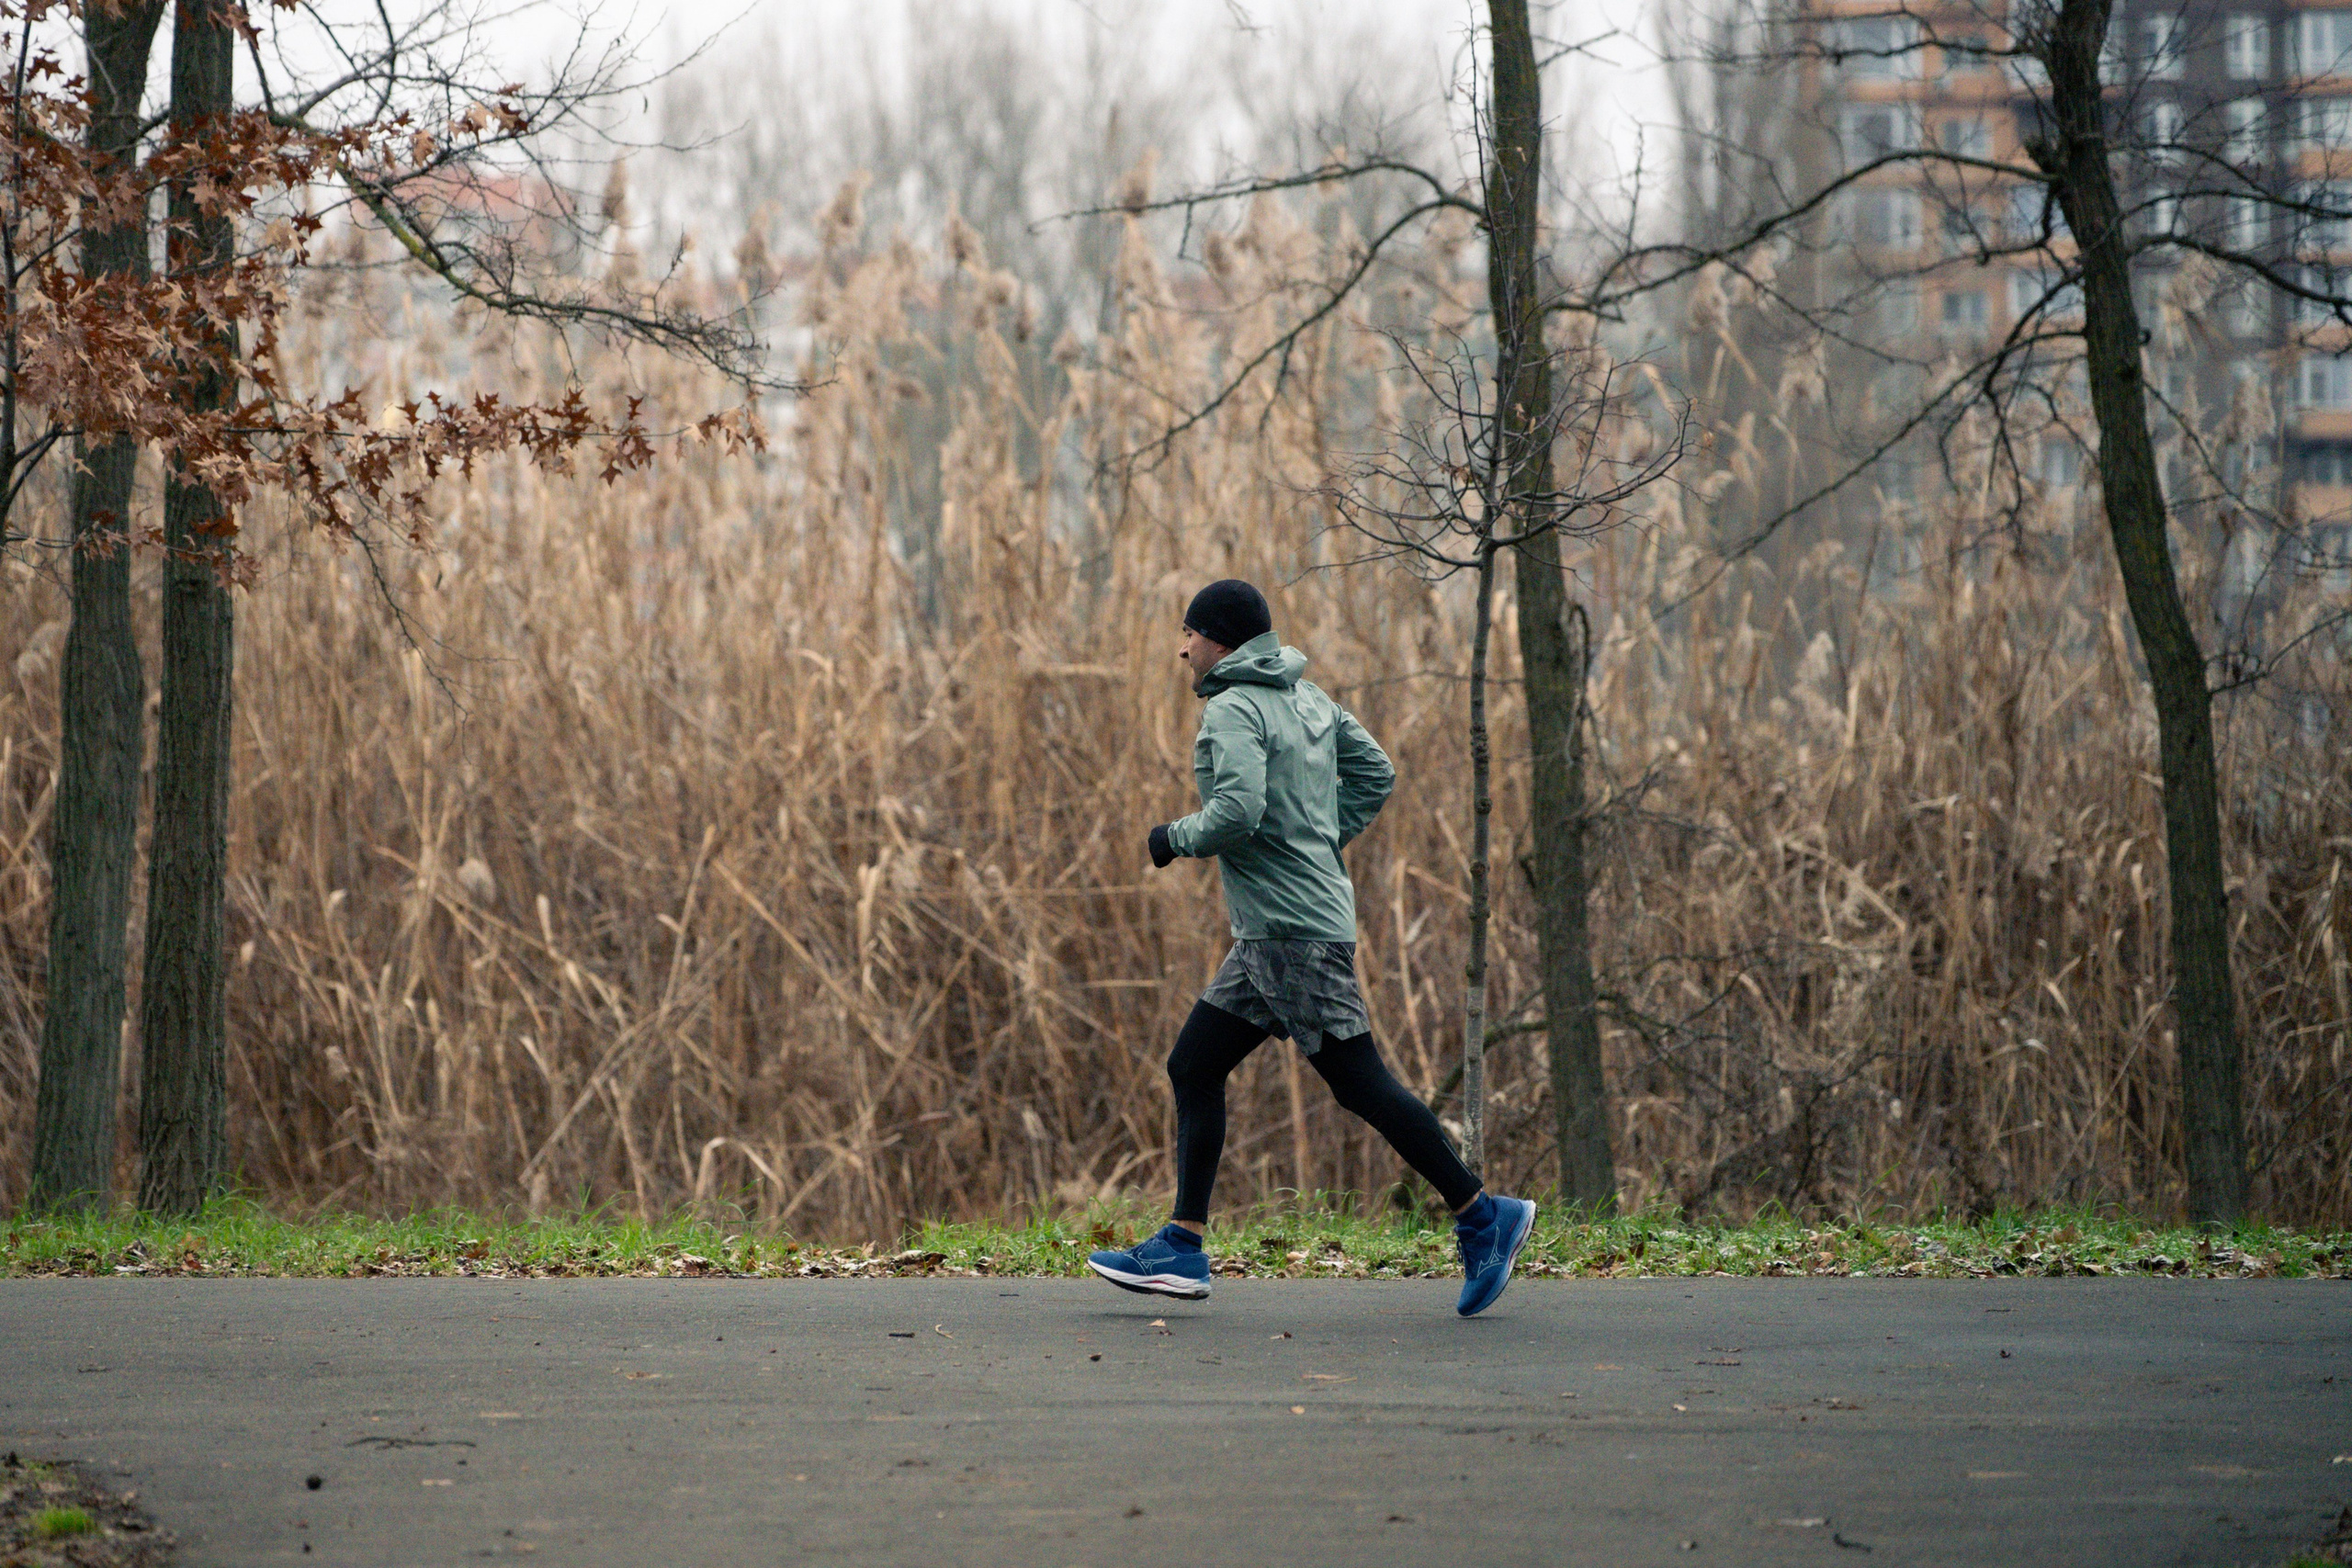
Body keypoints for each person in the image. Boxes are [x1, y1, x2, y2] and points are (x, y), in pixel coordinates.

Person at [1086, 579, 1537, 1317]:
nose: (1182, 647)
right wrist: (1319, 843)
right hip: (1277, 929)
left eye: (1190, 634)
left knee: (1359, 1081)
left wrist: (1174, 838)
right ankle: (1182, 1243)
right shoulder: (1310, 699)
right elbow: (1376, 774)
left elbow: (1236, 811)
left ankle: (1484, 1215)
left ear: (1220, 641)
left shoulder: (1232, 706)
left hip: (1289, 932)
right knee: (1194, 1064)